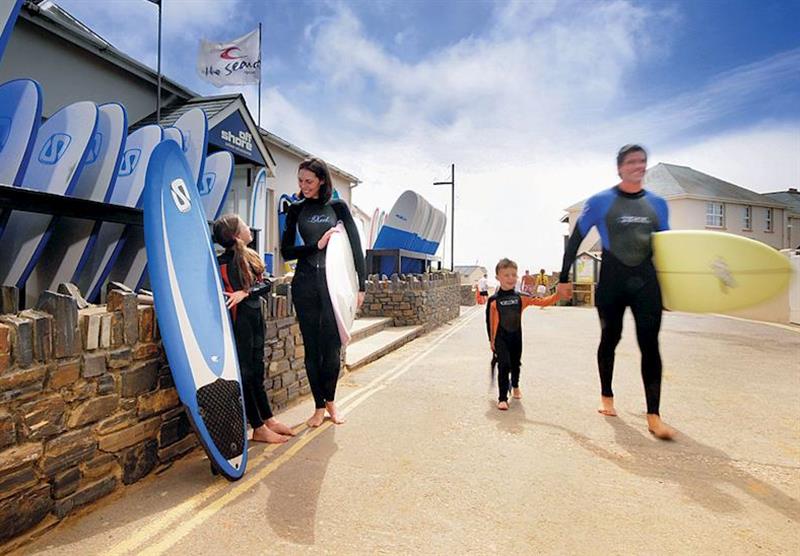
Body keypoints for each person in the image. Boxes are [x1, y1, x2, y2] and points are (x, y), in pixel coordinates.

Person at [557, 144, 675, 440]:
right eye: (633, 162)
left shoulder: (658, 205)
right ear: (620, 168)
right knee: (610, 338)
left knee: (650, 344)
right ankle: (607, 396)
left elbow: (668, 249)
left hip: (646, 280)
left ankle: (654, 416)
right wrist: (563, 277)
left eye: (643, 162)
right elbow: (577, 239)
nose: (639, 166)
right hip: (612, 280)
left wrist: (674, 289)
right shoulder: (601, 201)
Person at [281, 157, 366, 428]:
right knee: (312, 348)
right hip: (305, 283)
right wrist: (316, 245)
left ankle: (331, 402)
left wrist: (361, 286)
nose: (304, 186)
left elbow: (355, 248)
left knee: (331, 348)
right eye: (300, 181)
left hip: (334, 287)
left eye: (309, 181)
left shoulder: (338, 207)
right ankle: (318, 407)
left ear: (321, 180)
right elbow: (286, 251)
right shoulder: (295, 209)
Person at [213, 214, 295, 444]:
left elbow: (266, 284)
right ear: (237, 235)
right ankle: (257, 427)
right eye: (245, 225)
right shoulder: (221, 262)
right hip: (239, 322)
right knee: (246, 373)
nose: (250, 228)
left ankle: (268, 419)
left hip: (255, 317)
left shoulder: (251, 257)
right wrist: (241, 293)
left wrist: (246, 292)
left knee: (257, 371)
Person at [486, 258, 559, 410]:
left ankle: (516, 385)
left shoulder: (521, 297)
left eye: (514, 275)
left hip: (516, 337)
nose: (511, 278)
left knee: (516, 364)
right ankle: (502, 398)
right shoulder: (493, 300)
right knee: (504, 365)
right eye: (506, 275)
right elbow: (489, 322)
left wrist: (558, 296)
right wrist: (492, 342)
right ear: (497, 277)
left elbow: (542, 302)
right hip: (500, 338)